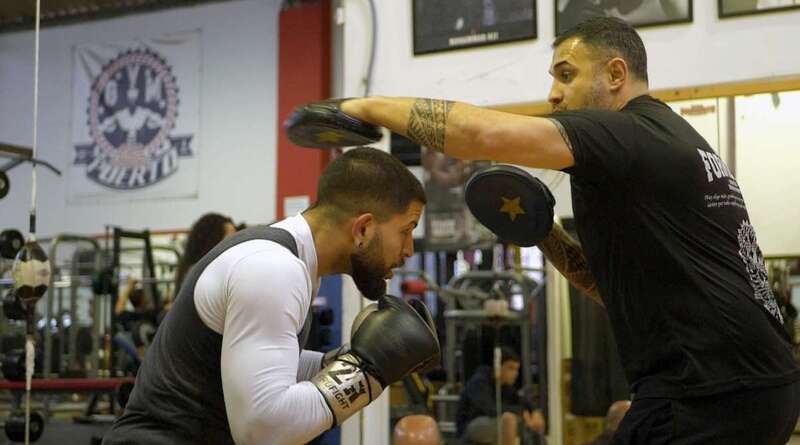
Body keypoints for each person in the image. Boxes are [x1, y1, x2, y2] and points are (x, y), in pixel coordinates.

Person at [327, 16, 800, 443]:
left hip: (709, 395)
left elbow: (480, 135)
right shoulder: (662, 145)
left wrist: (364, 106)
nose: (554, 94)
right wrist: (542, 231)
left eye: (567, 75)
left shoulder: (627, 133)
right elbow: (607, 286)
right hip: (756, 388)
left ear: (616, 75)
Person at [102, 147, 439, 444]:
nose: (409, 250)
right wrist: (368, 372)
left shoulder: (295, 265)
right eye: (406, 231)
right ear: (363, 228)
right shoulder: (274, 269)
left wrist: (344, 359)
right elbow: (263, 431)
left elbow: (272, 366)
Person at [456, 347, 545, 445]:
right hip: (470, 427)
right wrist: (521, 412)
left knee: (530, 423)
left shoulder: (505, 386)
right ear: (498, 366)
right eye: (510, 368)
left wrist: (534, 411)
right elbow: (490, 409)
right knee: (510, 420)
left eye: (517, 369)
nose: (515, 373)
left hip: (491, 423)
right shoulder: (480, 381)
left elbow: (522, 401)